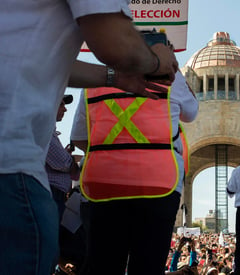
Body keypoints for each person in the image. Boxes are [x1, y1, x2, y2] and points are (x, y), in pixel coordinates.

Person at [0, 1, 178, 274]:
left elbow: (44, 61)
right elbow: (117, 44)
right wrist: (157, 59)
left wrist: (113, 78)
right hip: (11, 168)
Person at [70, 70, 198, 275]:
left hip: (103, 186)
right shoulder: (169, 75)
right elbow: (191, 113)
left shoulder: (95, 80)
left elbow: (78, 137)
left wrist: (114, 152)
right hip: (158, 185)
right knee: (148, 265)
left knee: (103, 265)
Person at [46, 94, 81, 221]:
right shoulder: (45, 131)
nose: (65, 109)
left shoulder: (49, 132)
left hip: (56, 194)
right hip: (52, 194)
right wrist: (70, 161)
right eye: (61, 105)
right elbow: (64, 163)